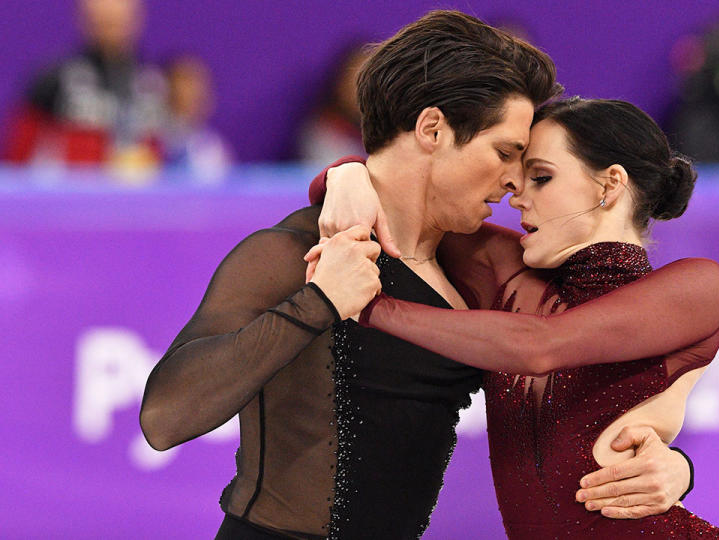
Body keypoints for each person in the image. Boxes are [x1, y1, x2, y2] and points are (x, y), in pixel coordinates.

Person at [139, 11, 688, 539]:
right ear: (432, 128)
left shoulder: (482, 269)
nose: (513, 182)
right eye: (504, 152)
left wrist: (675, 467)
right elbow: (165, 419)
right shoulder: (293, 253)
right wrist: (320, 301)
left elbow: (602, 394)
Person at [307, 98, 719, 538]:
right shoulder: (507, 273)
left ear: (609, 185)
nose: (517, 196)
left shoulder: (697, 287)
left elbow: (540, 347)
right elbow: (399, 201)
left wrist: (370, 307)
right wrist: (346, 175)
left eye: (541, 178)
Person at [3, 0, 166, 169]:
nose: (110, 18)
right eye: (103, 18)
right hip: (75, 190)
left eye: (117, 19)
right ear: (85, 18)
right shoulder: (54, 79)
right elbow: (18, 157)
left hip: (138, 191)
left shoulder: (153, 82)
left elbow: (167, 150)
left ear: (136, 17)